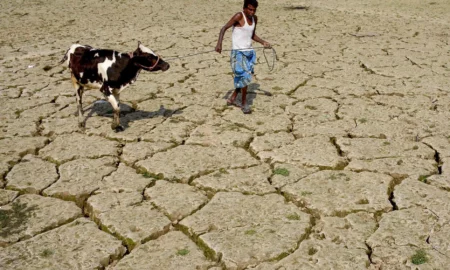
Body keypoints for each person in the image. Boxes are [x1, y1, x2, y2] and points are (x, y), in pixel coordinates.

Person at [215, 0, 271, 114]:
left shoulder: (255, 18)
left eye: (254, 10)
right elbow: (223, 28)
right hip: (238, 53)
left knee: (244, 78)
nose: (252, 12)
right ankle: (244, 103)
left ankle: (233, 98)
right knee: (244, 78)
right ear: (244, 8)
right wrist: (219, 44)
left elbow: (252, 35)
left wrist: (263, 42)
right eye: (250, 9)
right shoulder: (239, 16)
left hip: (249, 52)